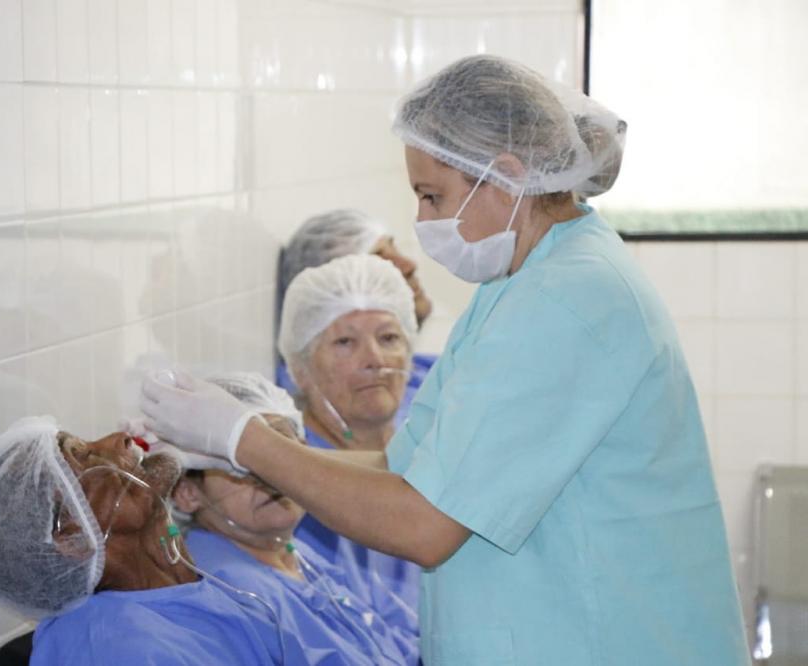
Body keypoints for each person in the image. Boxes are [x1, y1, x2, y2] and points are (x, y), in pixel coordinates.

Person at [136, 54, 750, 665]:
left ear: (505, 176)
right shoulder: (524, 282)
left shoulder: (564, 301)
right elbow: (406, 465)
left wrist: (244, 440)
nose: (424, 220)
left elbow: (424, 524)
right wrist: (237, 444)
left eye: (433, 196)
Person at [0, 417, 313, 665]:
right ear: (72, 538)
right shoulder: (115, 650)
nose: (118, 439)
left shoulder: (198, 592)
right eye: (83, 456)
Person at [169, 371, 419, 665]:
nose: (270, 477)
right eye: (241, 465)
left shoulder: (293, 554)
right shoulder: (229, 589)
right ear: (187, 493)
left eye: (281, 456)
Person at [277, 254, 422, 611]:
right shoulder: (291, 476)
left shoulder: (426, 437)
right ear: (300, 369)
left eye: (388, 338)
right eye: (344, 342)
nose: (375, 359)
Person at [276, 209, 435, 425]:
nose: (408, 265)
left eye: (387, 338)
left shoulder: (425, 369)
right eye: (379, 260)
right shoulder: (308, 405)